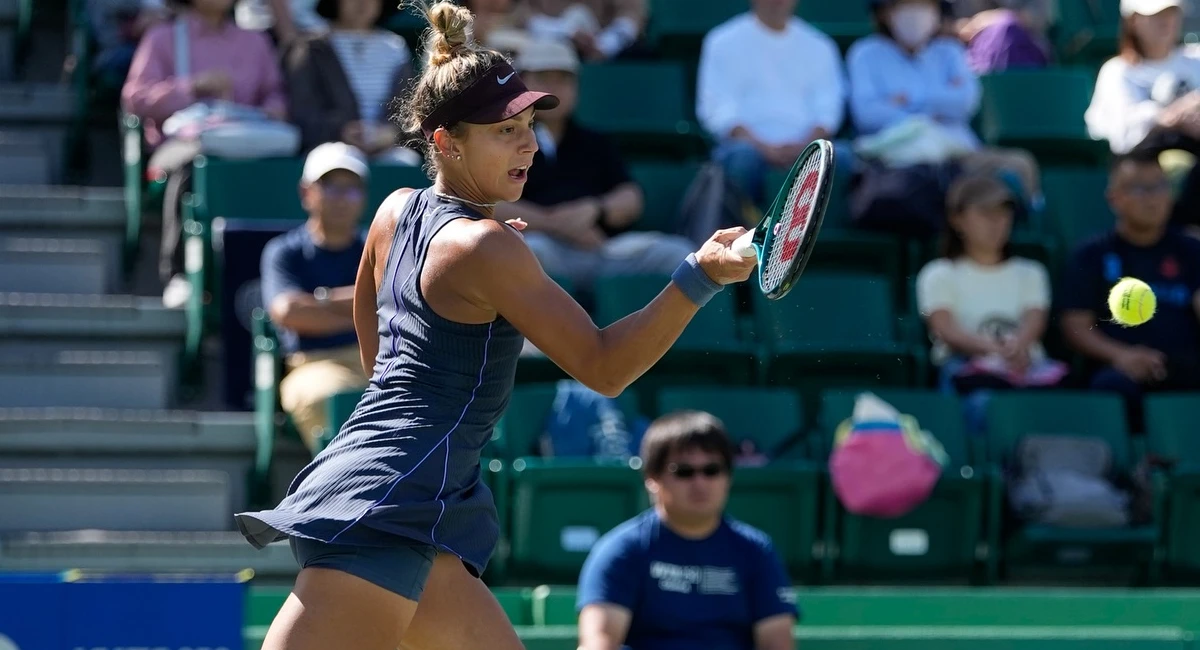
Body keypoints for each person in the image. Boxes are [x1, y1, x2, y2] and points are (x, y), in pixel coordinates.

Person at [233, 2, 758, 649]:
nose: (530, 145)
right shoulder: (485, 247)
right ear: (446, 142)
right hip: (392, 505)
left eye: (531, 125)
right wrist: (699, 276)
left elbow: (379, 361)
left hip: (405, 494)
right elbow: (604, 366)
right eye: (505, 130)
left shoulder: (397, 208)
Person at [576, 410, 799, 650]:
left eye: (712, 470)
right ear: (652, 477)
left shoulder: (756, 550)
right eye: (684, 472)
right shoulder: (622, 550)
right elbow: (599, 642)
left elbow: (777, 644)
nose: (700, 482)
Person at [1059, 152, 1200, 430]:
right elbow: (1075, 326)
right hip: (1117, 370)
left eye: (1159, 186)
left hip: (1185, 369)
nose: (1152, 198)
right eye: (1139, 188)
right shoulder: (1092, 255)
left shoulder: (1192, 251)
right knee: (1109, 389)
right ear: (1114, 198)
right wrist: (1120, 356)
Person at [916, 173, 1066, 435]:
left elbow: (1035, 318)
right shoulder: (938, 273)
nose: (997, 223)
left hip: (1026, 367)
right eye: (985, 213)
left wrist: (1016, 347)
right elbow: (944, 328)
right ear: (957, 219)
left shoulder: (1031, 272)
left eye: (1003, 213)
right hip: (964, 370)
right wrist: (995, 350)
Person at [260, 142, 372, 454]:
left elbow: (396, 302)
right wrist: (364, 307)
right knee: (330, 401)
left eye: (352, 190)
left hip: (381, 364)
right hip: (313, 365)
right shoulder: (284, 252)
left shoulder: (377, 249)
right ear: (307, 192)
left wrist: (320, 302)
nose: (343, 199)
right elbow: (290, 312)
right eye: (333, 187)